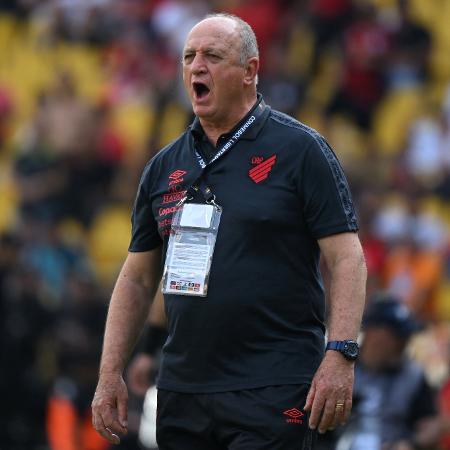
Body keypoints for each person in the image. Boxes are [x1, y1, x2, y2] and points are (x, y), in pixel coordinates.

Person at [91, 13, 367, 450]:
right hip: (183, 388)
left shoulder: (300, 150)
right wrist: (109, 373)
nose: (196, 66)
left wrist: (341, 353)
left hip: (274, 383)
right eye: (188, 57)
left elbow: (346, 256)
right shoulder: (164, 167)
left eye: (213, 56)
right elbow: (138, 277)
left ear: (250, 71)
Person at [323, 296, 437, 450]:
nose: (404, 345)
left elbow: (431, 425)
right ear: (373, 334)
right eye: (398, 337)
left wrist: (410, 444)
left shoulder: (413, 374)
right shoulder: (340, 365)